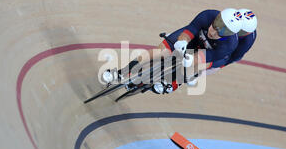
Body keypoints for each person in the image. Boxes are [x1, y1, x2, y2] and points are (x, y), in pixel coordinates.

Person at [103, 8, 253, 94]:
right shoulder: (209, 15)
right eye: (214, 26)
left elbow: (212, 56)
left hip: (214, 53)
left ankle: (173, 83)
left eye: (219, 32)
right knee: (160, 51)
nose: (213, 32)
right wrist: (182, 41)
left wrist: (193, 61)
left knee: (193, 66)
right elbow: (191, 29)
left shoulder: (232, 44)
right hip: (195, 38)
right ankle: (122, 72)